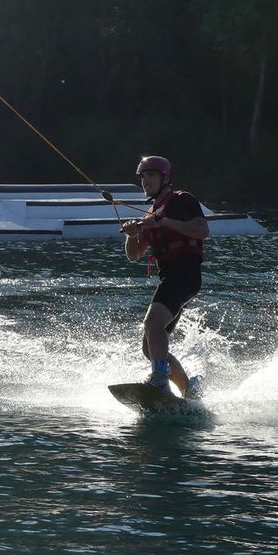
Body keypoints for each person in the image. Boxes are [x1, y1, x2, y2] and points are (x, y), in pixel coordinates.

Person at [118, 155, 209, 398]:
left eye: (151, 175)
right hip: (170, 278)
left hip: (186, 273)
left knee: (152, 323)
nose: (145, 180)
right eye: (143, 176)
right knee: (150, 348)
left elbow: (202, 230)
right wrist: (131, 234)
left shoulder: (181, 200)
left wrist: (163, 221)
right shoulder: (150, 213)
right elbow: (134, 255)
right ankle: (189, 390)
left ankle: (159, 380)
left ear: (165, 178)